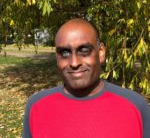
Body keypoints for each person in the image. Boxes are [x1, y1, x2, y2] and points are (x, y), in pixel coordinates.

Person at [22, 19, 150, 138]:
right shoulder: (37, 107)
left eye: (84, 51)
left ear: (101, 53)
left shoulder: (135, 106)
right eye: (65, 53)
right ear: (57, 58)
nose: (74, 62)